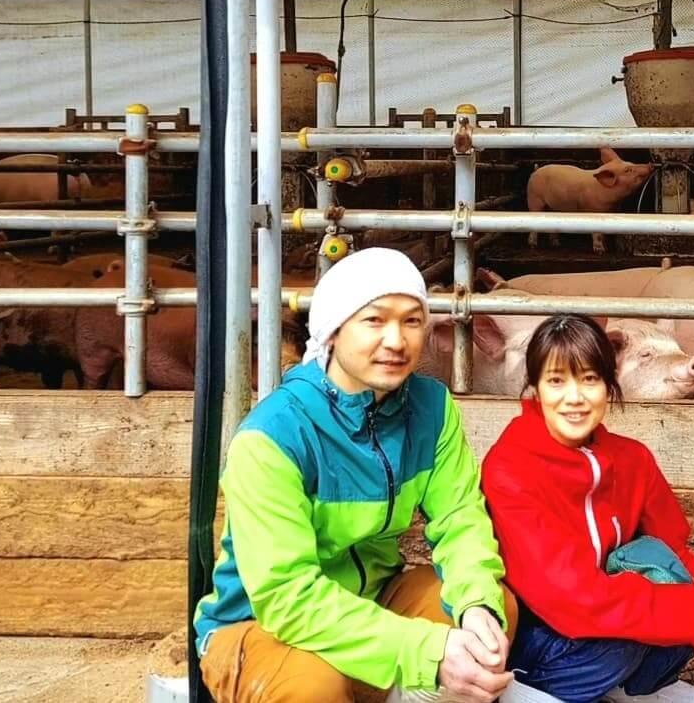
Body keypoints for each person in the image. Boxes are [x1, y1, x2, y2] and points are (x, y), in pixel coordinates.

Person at [195, 247, 517, 703]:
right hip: (263, 625)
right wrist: (426, 651)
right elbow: (287, 597)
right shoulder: (273, 436)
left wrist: (477, 603)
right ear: (333, 328)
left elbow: (461, 519)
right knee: (312, 687)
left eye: (412, 321)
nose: (396, 340)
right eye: (374, 320)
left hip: (375, 599)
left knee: (490, 621)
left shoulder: (432, 409)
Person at [482, 314, 694, 703]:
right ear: (534, 388)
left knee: (669, 605)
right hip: (539, 636)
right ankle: (529, 688)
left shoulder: (633, 460)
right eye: (556, 381)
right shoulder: (509, 468)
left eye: (589, 379)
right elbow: (570, 599)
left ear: (609, 384)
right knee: (630, 639)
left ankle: (614, 687)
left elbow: (676, 555)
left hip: (601, 624)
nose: (574, 398)